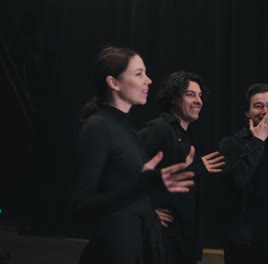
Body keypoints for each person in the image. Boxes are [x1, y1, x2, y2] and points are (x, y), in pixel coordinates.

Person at [72, 47, 196, 264]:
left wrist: (149, 201)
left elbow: (128, 193)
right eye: (139, 74)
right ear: (114, 83)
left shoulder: (129, 132)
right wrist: (142, 186)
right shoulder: (98, 127)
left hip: (136, 249)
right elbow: (82, 206)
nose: (148, 81)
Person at [139, 71, 225, 264]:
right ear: (173, 98)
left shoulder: (187, 135)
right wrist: (147, 212)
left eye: (200, 96)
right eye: (190, 94)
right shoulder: (158, 130)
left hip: (184, 242)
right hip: (161, 242)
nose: (198, 101)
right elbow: (125, 175)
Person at [219, 83, 268, 264]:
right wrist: (258, 140)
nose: (265, 111)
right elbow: (239, 179)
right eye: (258, 106)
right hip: (243, 242)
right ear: (247, 113)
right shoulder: (230, 144)